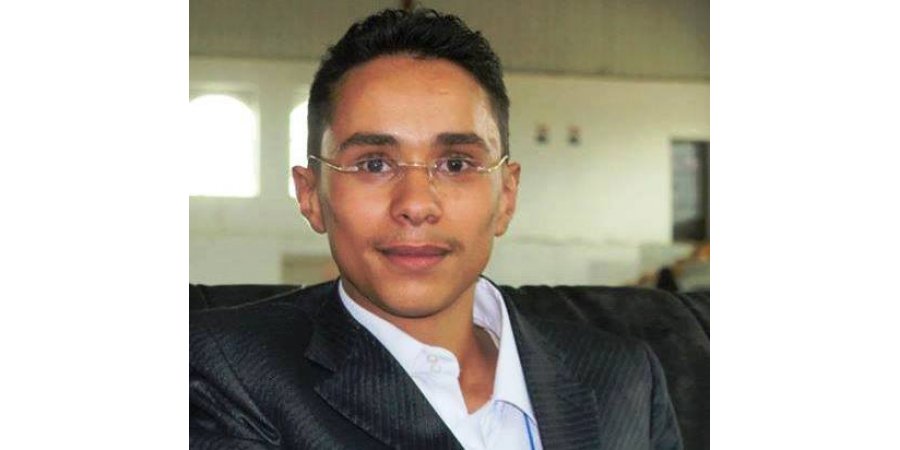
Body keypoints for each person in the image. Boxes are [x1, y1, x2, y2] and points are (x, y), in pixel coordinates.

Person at [190, 8, 683, 450]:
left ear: (507, 195)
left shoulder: (625, 379)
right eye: (374, 164)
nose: (416, 205)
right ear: (311, 195)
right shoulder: (226, 374)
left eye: (455, 164)